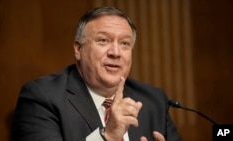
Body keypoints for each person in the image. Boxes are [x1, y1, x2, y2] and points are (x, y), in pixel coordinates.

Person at [11, 6, 182, 141]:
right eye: (103, 40)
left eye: (124, 43)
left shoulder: (153, 100)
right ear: (78, 49)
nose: (115, 52)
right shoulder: (43, 97)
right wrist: (105, 136)